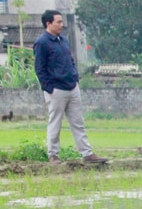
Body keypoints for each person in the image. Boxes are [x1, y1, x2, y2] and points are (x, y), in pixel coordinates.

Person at [33, 10, 106, 165]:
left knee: (78, 122)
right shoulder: (42, 43)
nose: (61, 25)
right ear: (48, 23)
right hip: (56, 89)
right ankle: (53, 155)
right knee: (55, 122)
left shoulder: (63, 40)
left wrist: (75, 78)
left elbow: (70, 61)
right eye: (58, 22)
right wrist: (49, 88)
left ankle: (87, 153)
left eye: (61, 21)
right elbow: (40, 68)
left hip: (72, 87)